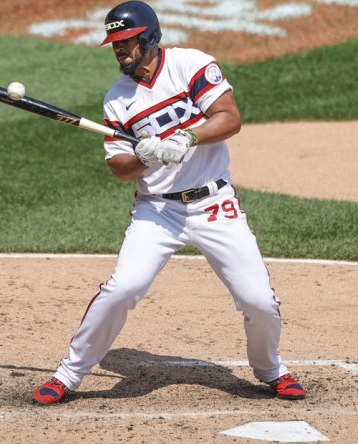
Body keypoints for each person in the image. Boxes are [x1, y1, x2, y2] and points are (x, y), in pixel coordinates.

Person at [32, 1, 306, 406]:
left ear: (149, 37)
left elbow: (229, 116)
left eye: (126, 42)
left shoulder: (190, 65)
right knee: (123, 288)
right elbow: (120, 168)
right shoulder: (117, 100)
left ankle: (270, 369)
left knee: (258, 301)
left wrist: (186, 137)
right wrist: (147, 154)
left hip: (214, 203)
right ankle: (68, 374)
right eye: (114, 45)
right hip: (158, 210)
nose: (119, 51)